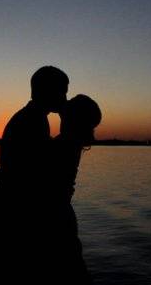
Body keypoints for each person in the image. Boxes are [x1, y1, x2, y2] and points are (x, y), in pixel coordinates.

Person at [0, 66, 69, 285]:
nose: (64, 98)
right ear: (46, 91)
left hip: (7, 217)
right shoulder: (32, 120)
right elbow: (37, 171)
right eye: (62, 91)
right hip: (11, 223)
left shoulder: (32, 117)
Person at [43, 94, 102, 285]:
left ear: (73, 119)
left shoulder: (66, 143)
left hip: (57, 216)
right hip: (62, 213)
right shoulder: (71, 139)